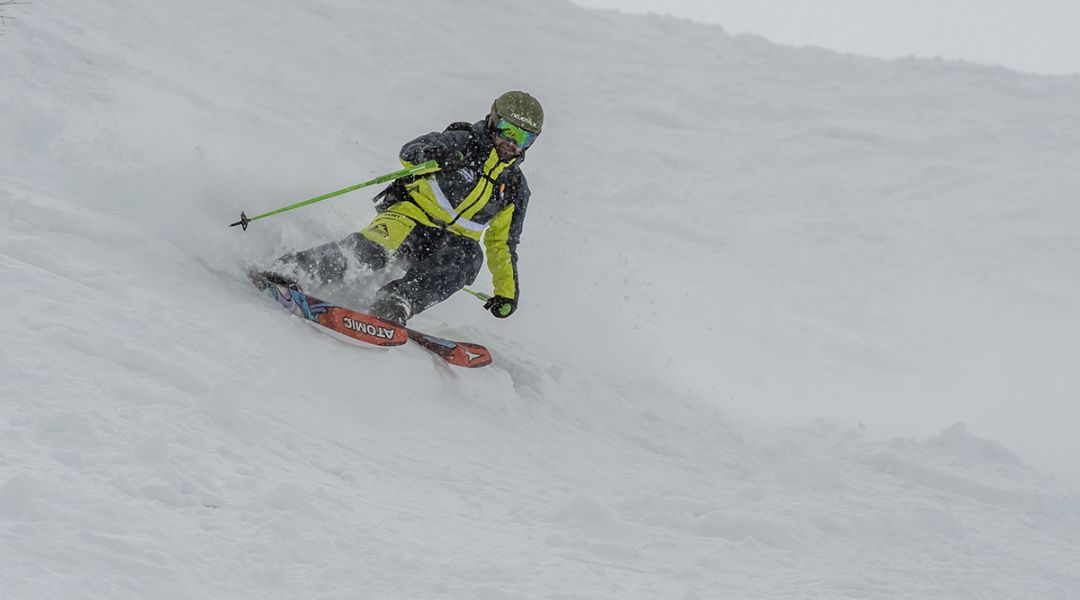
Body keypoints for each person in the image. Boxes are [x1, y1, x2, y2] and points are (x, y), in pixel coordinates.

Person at [261, 91, 542, 325]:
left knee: (470, 258)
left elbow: (502, 243)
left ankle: (396, 301)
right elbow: (410, 151)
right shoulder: (463, 140)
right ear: (493, 120)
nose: (511, 143)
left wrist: (506, 293)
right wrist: (440, 155)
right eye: (508, 130)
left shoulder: (515, 189)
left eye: (523, 139)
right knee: (372, 251)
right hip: (410, 217)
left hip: (449, 245)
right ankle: (296, 269)